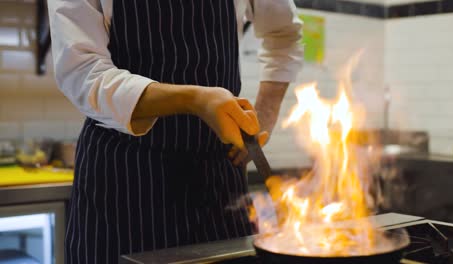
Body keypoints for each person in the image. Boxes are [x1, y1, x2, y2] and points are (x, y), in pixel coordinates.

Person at [48, 0, 303, 263]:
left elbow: (284, 33)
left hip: (217, 179)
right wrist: (193, 100)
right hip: (123, 178)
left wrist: (267, 111)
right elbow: (82, 71)